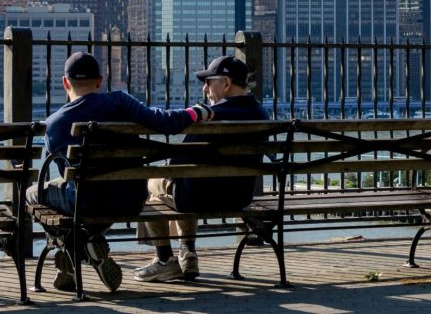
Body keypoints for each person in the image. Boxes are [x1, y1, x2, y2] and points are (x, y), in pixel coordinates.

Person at [29, 51, 208, 292]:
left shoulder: (54, 123)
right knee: (93, 196)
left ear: (64, 83)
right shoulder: (121, 102)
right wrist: (197, 112)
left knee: (31, 194)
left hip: (87, 203)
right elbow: (165, 122)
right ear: (100, 81)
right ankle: (84, 245)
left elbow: (67, 177)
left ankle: (76, 246)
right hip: (131, 199)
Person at [134, 55, 270, 282]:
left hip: (198, 198)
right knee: (180, 184)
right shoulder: (262, 114)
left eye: (209, 82)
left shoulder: (211, 117)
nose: (205, 88)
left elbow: (178, 166)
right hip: (240, 197)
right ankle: (187, 254)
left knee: (149, 183)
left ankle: (165, 259)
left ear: (226, 84)